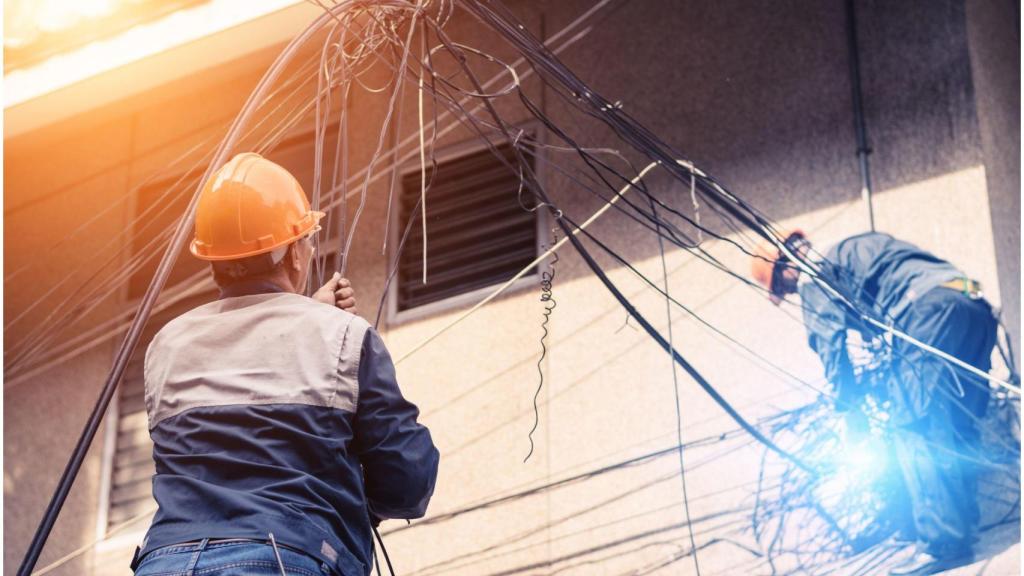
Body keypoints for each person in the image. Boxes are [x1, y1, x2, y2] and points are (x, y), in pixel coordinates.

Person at [132, 153, 439, 576]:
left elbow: (232, 411)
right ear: (294, 254)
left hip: (164, 562)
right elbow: (407, 480)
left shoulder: (166, 345)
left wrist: (306, 314)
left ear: (213, 260)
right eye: (307, 241)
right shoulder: (342, 335)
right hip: (283, 558)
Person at [752, 230, 997, 576]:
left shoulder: (813, 275)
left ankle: (943, 544)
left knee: (914, 426)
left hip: (928, 313)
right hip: (973, 306)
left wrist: (851, 414)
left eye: (783, 287)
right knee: (957, 421)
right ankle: (965, 523)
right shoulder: (853, 246)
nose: (791, 293)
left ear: (785, 266)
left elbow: (831, 348)